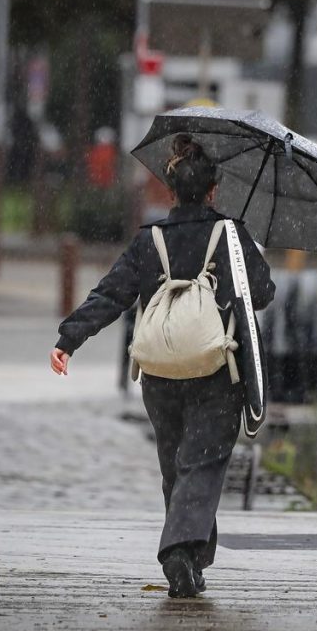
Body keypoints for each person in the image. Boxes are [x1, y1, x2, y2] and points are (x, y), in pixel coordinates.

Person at [50, 134, 274, 598]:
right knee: (204, 463)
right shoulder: (231, 236)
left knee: (176, 465)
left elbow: (111, 294)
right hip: (216, 368)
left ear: (171, 191)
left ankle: (191, 560)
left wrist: (69, 339)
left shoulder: (148, 240)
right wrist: (240, 249)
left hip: (159, 372)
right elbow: (263, 294)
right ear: (213, 191)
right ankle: (178, 550)